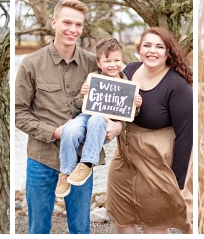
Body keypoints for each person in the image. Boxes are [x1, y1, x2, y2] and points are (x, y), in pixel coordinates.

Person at [16, 0, 119, 234]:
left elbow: (118, 95)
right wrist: (54, 132)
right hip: (41, 158)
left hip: (82, 159)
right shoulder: (31, 64)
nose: (73, 30)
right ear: (54, 22)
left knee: (81, 229)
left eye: (78, 25)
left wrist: (117, 126)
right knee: (38, 229)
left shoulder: (94, 64)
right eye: (67, 23)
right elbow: (19, 113)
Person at [107, 27, 193, 234]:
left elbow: (186, 136)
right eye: (147, 45)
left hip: (157, 161)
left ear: (168, 52)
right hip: (124, 158)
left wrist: (177, 182)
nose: (152, 51)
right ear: (139, 49)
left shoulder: (177, 86)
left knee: (154, 222)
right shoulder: (129, 71)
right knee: (121, 217)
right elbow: (113, 107)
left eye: (159, 46)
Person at [56, 38, 141, 197]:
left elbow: (131, 115)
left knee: (96, 119)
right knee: (71, 128)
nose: (112, 64)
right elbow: (78, 105)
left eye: (116, 60)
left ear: (121, 60)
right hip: (86, 115)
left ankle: (86, 163)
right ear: (99, 63)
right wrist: (83, 95)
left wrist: (137, 104)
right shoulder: (93, 78)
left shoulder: (126, 83)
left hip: (104, 123)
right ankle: (65, 172)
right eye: (107, 61)